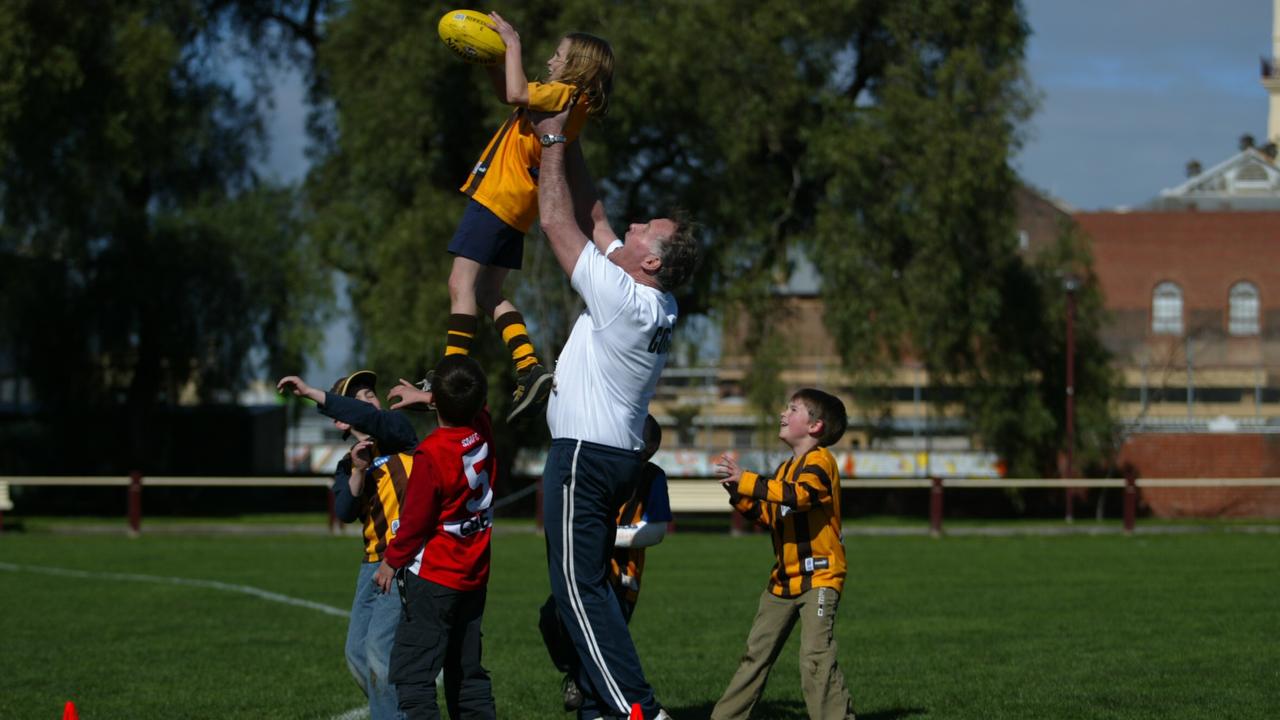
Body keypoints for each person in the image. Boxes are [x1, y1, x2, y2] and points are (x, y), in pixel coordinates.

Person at [531, 105, 700, 720]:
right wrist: (568, 133)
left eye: (644, 229)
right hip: (609, 456)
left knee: (579, 593)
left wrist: (549, 137)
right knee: (575, 595)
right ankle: (601, 707)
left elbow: (556, 219)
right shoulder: (658, 299)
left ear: (650, 260)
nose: (629, 225)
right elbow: (594, 215)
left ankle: (636, 709)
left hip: (584, 456)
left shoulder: (626, 299)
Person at [434, 11, 614, 423]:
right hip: (516, 208)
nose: (550, 61)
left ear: (577, 66)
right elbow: (508, 92)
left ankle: (448, 370)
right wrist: (492, 59)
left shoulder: (565, 94)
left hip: (496, 197)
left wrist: (512, 44)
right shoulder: (568, 100)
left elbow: (516, 94)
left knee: (459, 283)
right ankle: (527, 363)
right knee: (487, 293)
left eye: (557, 54)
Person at [276, 371, 419, 720]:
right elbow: (344, 511)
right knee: (357, 653)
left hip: (403, 562)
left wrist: (311, 392)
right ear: (342, 421)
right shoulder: (346, 465)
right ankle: (403, 711)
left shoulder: (399, 434)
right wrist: (357, 470)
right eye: (356, 398)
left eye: (371, 394)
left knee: (379, 652)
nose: (368, 400)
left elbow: (370, 418)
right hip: (371, 566)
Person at [709, 389, 857, 720]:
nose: (783, 414)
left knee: (815, 658)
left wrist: (748, 480)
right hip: (782, 581)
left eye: (793, 409)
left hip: (819, 577)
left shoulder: (821, 463)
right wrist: (740, 495)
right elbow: (774, 517)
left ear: (815, 426)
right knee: (754, 656)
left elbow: (798, 496)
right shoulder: (784, 468)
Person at [372, 355, 498, 720]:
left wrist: (390, 561)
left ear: (437, 402)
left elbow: (415, 521)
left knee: (413, 677)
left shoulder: (432, 452)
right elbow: (477, 403)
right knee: (467, 673)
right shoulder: (484, 431)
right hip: (473, 574)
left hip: (435, 577)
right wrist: (432, 398)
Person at [539, 415, 673, 712]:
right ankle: (576, 677)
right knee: (552, 617)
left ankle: (600, 708)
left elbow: (656, 531)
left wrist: (604, 537)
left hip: (622, 579)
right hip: (586, 569)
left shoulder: (651, 477)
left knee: (598, 651)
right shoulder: (599, 465)